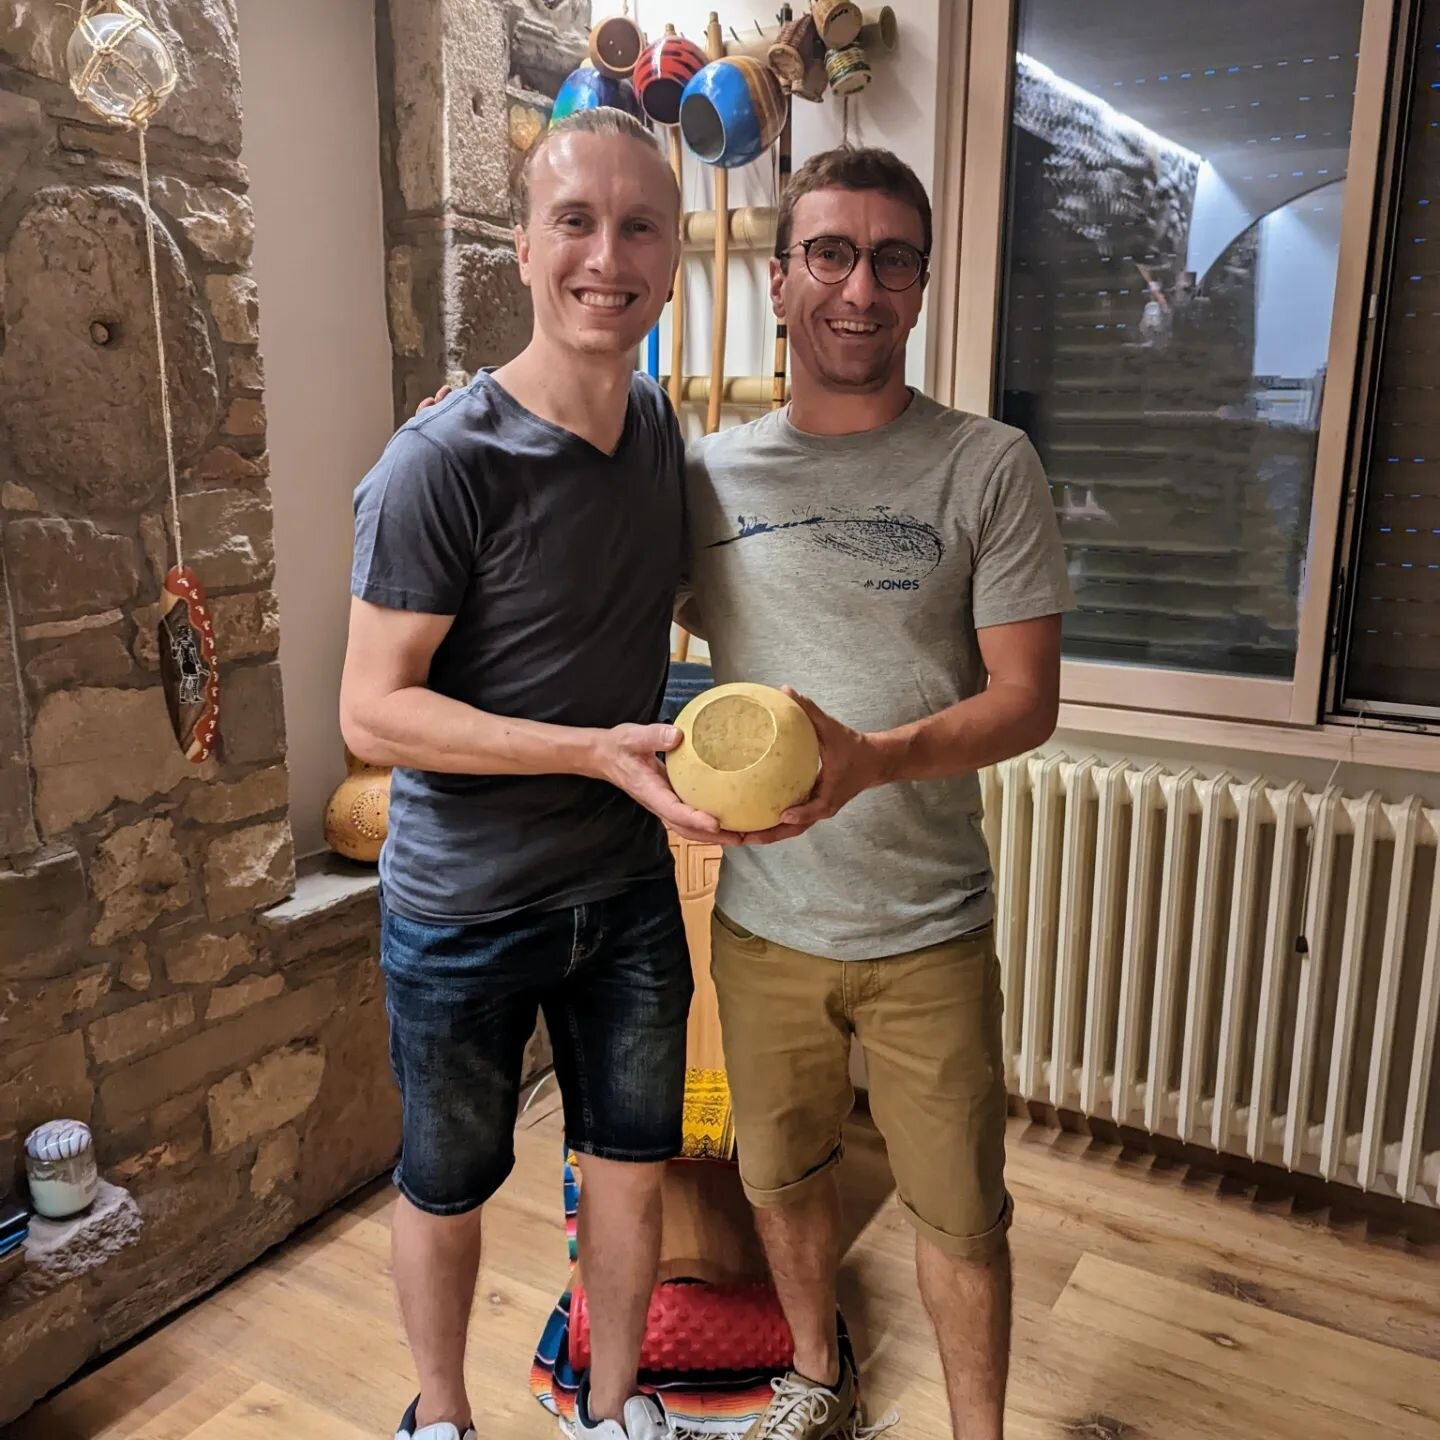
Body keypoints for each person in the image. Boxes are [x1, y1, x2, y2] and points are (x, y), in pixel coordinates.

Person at [340, 107, 738, 1440]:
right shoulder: (437, 461)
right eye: (574, 220)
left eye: (638, 227)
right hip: (462, 905)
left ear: (673, 256)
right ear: (521, 246)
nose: (605, 256)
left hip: (621, 894)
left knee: (631, 1173)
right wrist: (588, 753)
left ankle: (611, 1410)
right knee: (446, 1183)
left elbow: (668, 591)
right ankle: (440, 1419)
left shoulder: (664, 436)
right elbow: (373, 714)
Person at [678, 146, 1075, 1440]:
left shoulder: (988, 465)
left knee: (964, 1211)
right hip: (764, 923)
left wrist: (877, 761)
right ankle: (815, 1376)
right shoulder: (707, 480)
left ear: (919, 282)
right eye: (831, 254)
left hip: (928, 928)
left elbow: (1027, 700)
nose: (861, 285)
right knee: (782, 1175)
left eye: (891, 257)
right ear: (781, 278)